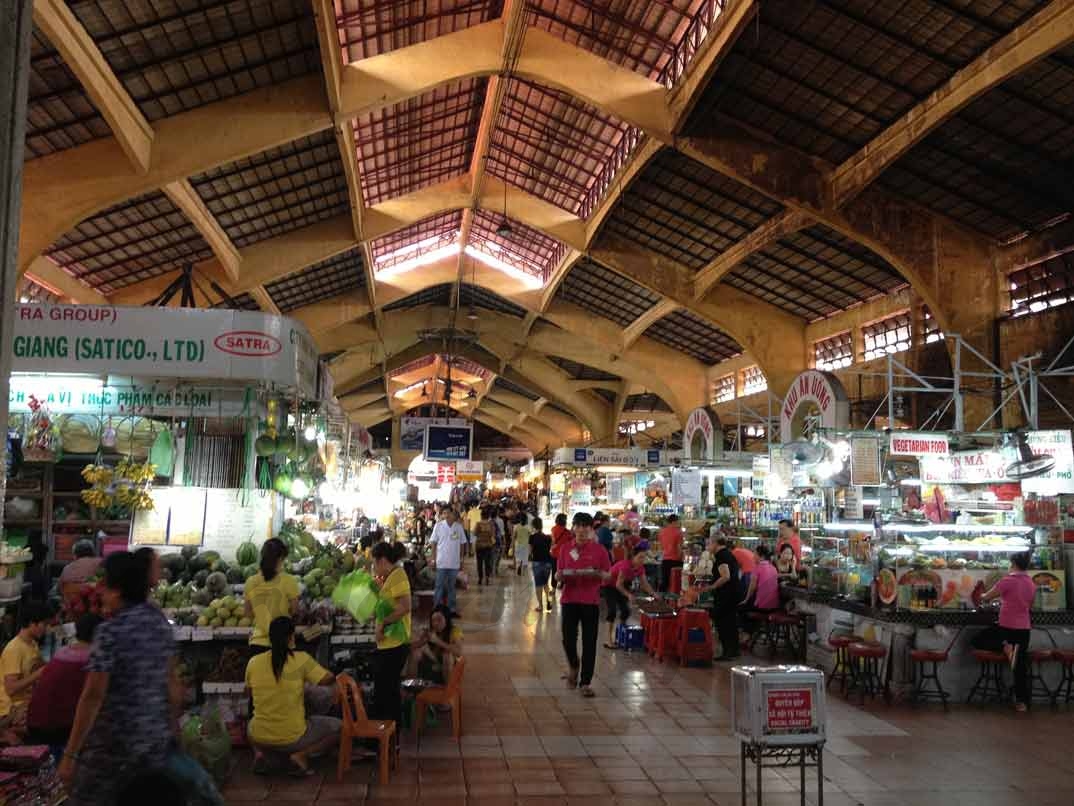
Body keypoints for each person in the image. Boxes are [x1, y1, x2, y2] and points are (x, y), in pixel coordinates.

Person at [59, 552, 182, 804]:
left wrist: (70, 755)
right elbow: (173, 688)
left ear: (117, 590)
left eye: (105, 583)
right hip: (154, 747)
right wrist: (172, 734)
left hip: (114, 750)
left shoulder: (109, 633)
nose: (100, 590)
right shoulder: (160, 624)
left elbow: (93, 696)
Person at [246, 616, 339, 776]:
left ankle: (260, 754)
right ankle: (301, 755)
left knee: (250, 723)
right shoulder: (301, 659)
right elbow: (328, 679)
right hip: (292, 738)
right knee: (340, 728)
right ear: (291, 637)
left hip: (258, 736)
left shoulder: (254, 662)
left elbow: (250, 693)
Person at [27, 613, 102, 750]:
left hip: (35, 721)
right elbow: (93, 698)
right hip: (56, 728)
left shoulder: (63, 653)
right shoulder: (91, 659)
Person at [556, 512, 611, 698]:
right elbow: (559, 573)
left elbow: (607, 574)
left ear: (590, 529)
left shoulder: (599, 551)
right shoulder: (565, 549)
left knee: (590, 642)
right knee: (568, 639)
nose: (581, 530)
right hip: (569, 600)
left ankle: (585, 682)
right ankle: (574, 664)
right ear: (573, 528)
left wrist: (598, 574)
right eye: (577, 526)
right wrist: (559, 577)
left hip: (590, 601)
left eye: (585, 526)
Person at [973, 552, 1035, 712]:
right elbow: (1029, 604)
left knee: (977, 640)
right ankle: (1022, 702)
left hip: (1007, 628)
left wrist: (979, 592)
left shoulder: (1008, 580)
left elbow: (986, 597)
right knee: (1019, 665)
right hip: (1024, 629)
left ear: (1013, 564)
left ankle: (1006, 648)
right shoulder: (1030, 582)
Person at [371, 541, 411, 724]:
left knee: (387, 692)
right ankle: (389, 734)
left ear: (382, 560)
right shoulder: (391, 577)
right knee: (386, 690)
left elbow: (404, 607)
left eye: (374, 563)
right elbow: (391, 603)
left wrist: (382, 624)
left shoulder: (398, 575)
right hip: (388, 643)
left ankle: (388, 734)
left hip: (394, 644)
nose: (373, 567)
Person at [0, 601, 50, 739]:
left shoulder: (32, 644)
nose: (46, 628)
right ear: (32, 623)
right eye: (44, 624)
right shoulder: (14, 649)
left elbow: (41, 666)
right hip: (10, 708)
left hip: (26, 701)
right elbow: (11, 689)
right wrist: (38, 674)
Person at [245, 538, 300, 652]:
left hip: (258, 643)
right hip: (282, 644)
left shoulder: (251, 581)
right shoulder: (288, 581)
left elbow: (248, 613)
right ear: (280, 558)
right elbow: (295, 611)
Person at [602, 544, 655, 649]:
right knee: (612, 611)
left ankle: (620, 635)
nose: (642, 560)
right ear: (633, 557)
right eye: (640, 557)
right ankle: (609, 640)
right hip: (609, 585)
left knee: (626, 611)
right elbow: (618, 584)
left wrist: (654, 594)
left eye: (644, 558)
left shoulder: (640, 568)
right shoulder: (626, 565)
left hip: (622, 586)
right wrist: (629, 595)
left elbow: (644, 584)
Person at [703, 536, 740, 661]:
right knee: (730, 622)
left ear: (715, 543)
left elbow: (726, 576)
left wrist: (712, 586)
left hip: (726, 594)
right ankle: (733, 651)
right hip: (733, 593)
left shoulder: (721, 556)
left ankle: (728, 652)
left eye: (709, 544)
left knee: (723, 621)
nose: (708, 547)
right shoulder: (728, 554)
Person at [409, 605, 463, 685]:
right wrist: (422, 641)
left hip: (448, 664)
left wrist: (438, 641)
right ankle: (411, 687)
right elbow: (411, 647)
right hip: (432, 661)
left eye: (439, 620)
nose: (436, 623)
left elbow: (458, 652)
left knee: (447, 656)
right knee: (416, 653)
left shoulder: (454, 631)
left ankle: (448, 691)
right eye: (433, 620)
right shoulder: (430, 631)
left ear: (447, 619)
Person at [429, 508, 468, 613]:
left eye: (449, 513)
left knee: (452, 587)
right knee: (439, 586)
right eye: (445, 513)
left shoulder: (458, 527)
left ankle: (452, 610)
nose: (447, 515)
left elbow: (462, 544)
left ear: (453, 514)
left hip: (454, 564)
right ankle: (437, 609)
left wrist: (461, 560)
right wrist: (433, 559)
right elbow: (433, 542)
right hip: (441, 562)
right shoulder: (439, 526)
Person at [739, 545, 779, 645]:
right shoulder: (773, 568)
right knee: (750, 605)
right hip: (774, 606)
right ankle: (750, 633)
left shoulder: (757, 568)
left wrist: (745, 600)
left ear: (761, 556)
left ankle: (746, 634)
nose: (753, 557)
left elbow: (752, 588)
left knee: (741, 607)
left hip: (763, 606)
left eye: (755, 554)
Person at [528, 518, 554, 613]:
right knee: (545, 583)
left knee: (538, 585)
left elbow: (530, 552)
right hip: (548, 562)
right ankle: (549, 600)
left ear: (534, 526)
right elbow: (550, 548)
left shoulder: (532, 537)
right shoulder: (548, 537)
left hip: (537, 562)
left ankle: (540, 606)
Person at [657, 514, 684, 592]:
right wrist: (680, 558)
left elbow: (661, 546)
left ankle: (661, 599)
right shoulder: (678, 532)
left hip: (665, 559)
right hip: (676, 560)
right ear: (674, 521)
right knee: (676, 583)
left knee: (665, 581)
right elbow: (679, 547)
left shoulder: (662, 532)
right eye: (678, 522)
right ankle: (674, 601)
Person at [473, 508, 496, 586]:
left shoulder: (478, 524)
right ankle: (487, 577)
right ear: (488, 516)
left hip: (479, 545)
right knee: (487, 562)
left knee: (479, 562)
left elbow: (474, 533)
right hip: (488, 545)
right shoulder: (491, 524)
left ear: (481, 516)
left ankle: (480, 578)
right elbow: (493, 534)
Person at [550, 513, 571, 590]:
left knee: (554, 571)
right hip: (564, 556)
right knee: (563, 571)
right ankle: (562, 585)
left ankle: (553, 588)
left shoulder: (553, 529)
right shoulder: (568, 532)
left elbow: (552, 541)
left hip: (554, 554)